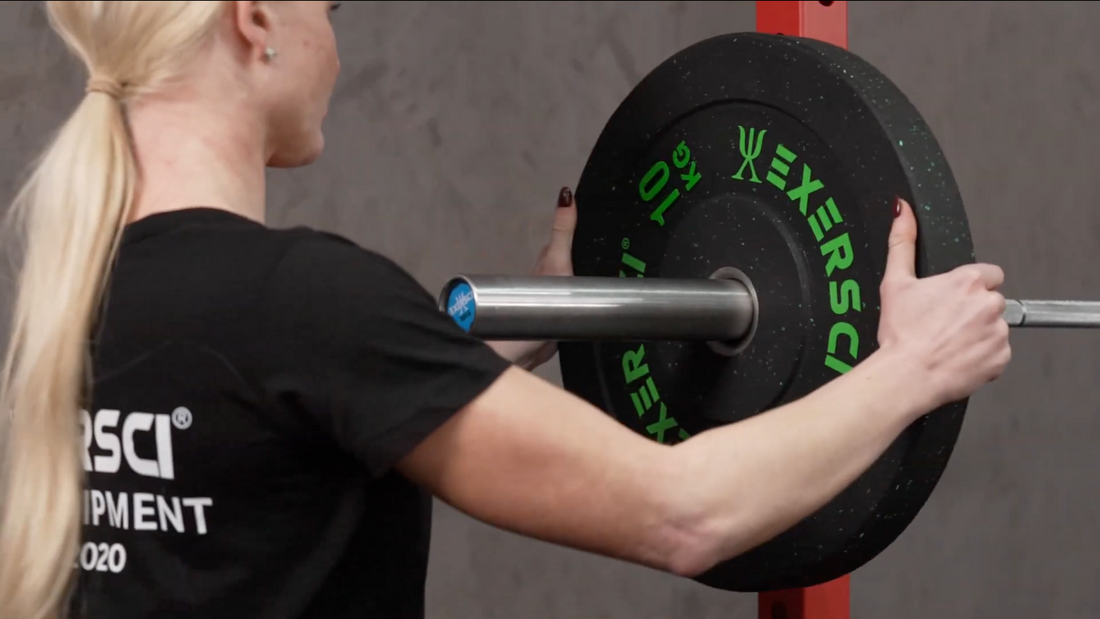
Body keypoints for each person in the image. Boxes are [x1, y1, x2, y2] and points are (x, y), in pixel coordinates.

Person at [0, 2, 1011, 619]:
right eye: (333, 10)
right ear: (254, 18)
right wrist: (911, 366)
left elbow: (276, 430)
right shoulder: (306, 300)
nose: (336, 52)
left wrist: (545, 324)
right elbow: (683, 512)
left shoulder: (82, 292)